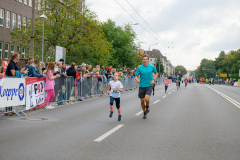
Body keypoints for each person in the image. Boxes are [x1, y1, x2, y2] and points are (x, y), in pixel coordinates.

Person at [135, 55, 158, 119]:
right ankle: (144, 112)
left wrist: (154, 79)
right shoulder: (139, 68)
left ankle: (147, 106)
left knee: (147, 98)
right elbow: (136, 76)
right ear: (142, 60)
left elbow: (156, 73)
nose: (144, 60)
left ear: (148, 60)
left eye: (146, 59)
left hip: (149, 85)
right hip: (142, 86)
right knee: (142, 101)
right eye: (143, 59)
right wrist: (137, 80)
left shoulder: (152, 67)